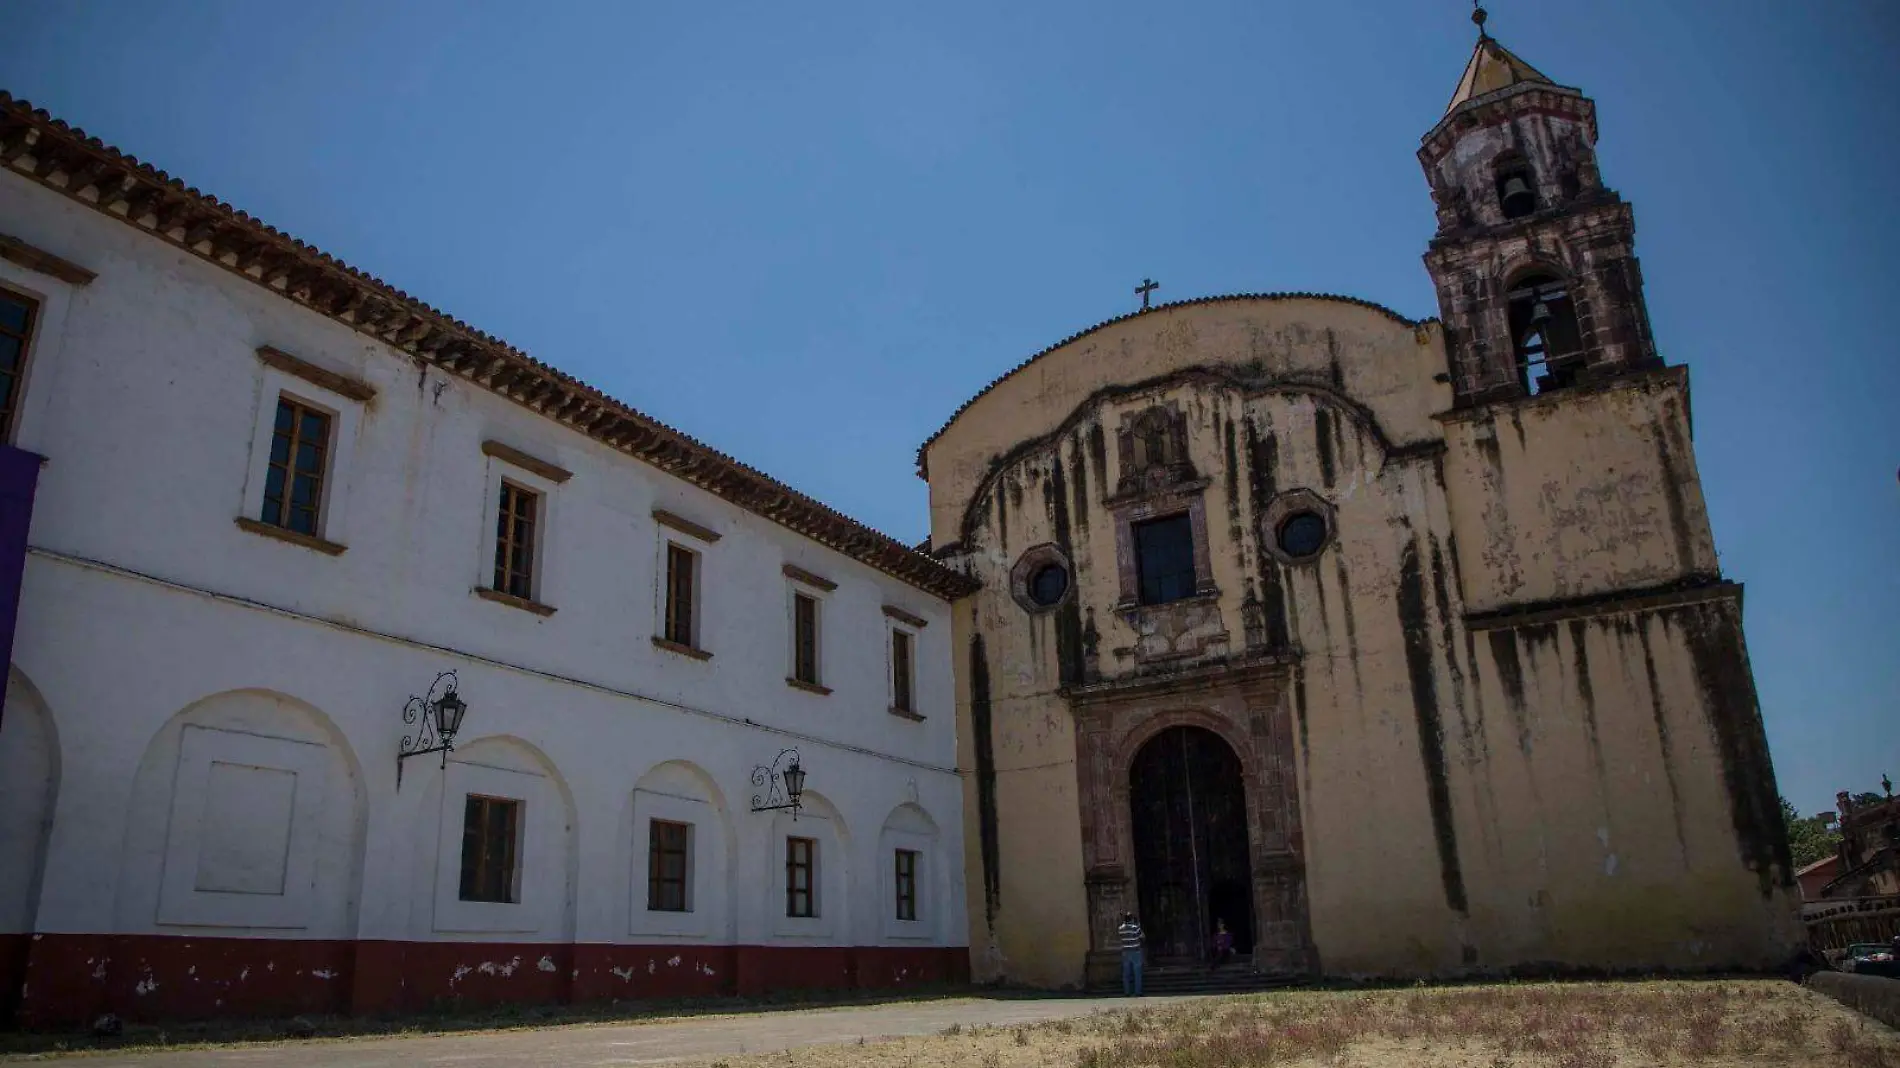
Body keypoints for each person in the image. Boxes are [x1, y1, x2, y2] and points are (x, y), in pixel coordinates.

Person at [1117, 911, 1145, 997]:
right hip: (1136, 951)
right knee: (1137, 973)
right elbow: (1143, 936)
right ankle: (1138, 992)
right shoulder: (1135, 928)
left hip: (1125, 952)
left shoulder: (1120, 929)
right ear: (1132, 919)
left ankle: (1127, 992)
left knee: (1126, 973)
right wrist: (1138, 926)